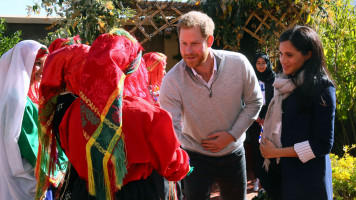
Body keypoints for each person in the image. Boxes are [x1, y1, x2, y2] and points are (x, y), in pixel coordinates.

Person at [36, 28, 191, 200]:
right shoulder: (148, 114)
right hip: (134, 194)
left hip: (84, 192)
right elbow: (174, 167)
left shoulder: (72, 110)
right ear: (133, 69)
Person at [160, 11, 263, 200]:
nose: (188, 51)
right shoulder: (172, 81)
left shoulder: (238, 64)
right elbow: (169, 125)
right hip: (195, 157)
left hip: (233, 153)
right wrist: (187, 146)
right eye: (183, 43)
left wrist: (232, 135)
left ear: (209, 40)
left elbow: (255, 101)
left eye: (194, 44)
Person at [259, 25, 336, 200]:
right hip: (285, 176)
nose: (282, 60)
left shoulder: (322, 88)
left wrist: (276, 152)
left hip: (309, 181)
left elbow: (323, 144)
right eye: (280, 53)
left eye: (289, 55)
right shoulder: (283, 84)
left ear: (308, 54)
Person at [0, 40, 64, 200]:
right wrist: (55, 173)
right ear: (22, 64)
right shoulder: (18, 100)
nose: (43, 69)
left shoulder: (24, 94)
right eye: (37, 63)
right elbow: (29, 144)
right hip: (30, 176)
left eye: (45, 63)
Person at [35, 43, 91, 199]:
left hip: (73, 177)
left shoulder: (59, 101)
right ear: (71, 70)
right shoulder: (74, 103)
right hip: (83, 180)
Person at [246, 52, 276, 191]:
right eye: (258, 63)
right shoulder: (251, 78)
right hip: (255, 119)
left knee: (270, 147)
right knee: (257, 148)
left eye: (263, 63)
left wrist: (267, 118)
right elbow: (246, 98)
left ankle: (269, 179)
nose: (261, 65)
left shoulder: (274, 79)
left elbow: (275, 101)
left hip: (270, 119)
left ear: (268, 64)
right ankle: (258, 179)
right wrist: (257, 118)